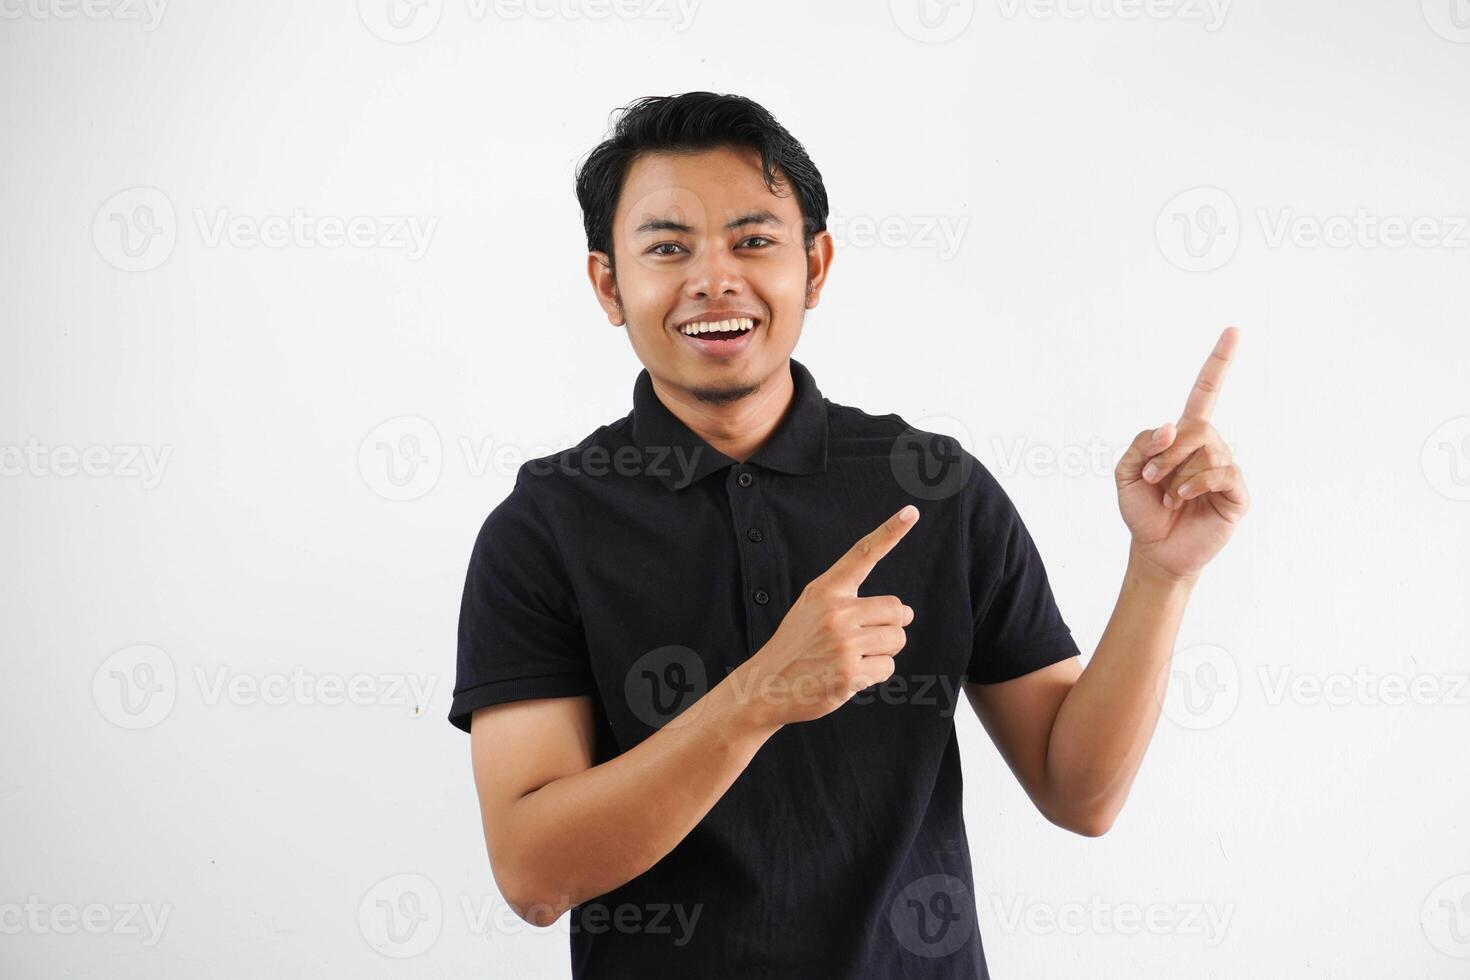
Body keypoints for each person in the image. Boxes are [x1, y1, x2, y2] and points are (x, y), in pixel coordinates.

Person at [448, 91, 1249, 979]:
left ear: (816, 267)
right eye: (668, 247)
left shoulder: (934, 488)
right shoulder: (545, 525)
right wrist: (758, 697)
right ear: (609, 284)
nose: (715, 279)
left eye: (754, 240)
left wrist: (1160, 576)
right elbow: (532, 873)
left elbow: (1080, 793)